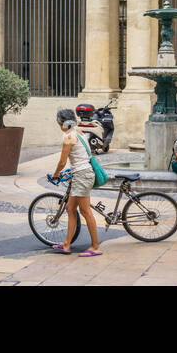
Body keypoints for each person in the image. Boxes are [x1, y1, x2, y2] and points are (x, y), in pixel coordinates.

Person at [49, 108, 101, 257]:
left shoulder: (69, 137)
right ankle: (66, 245)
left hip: (82, 175)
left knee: (85, 211)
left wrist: (55, 175)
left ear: (62, 123)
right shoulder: (79, 132)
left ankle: (95, 247)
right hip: (82, 173)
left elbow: (62, 161)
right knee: (70, 208)